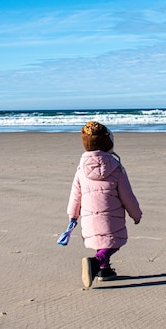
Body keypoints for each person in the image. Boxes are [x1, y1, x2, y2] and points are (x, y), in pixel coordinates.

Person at [67, 121, 142, 287]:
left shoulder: (81, 170)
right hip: (111, 215)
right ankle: (96, 262)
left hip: (89, 216)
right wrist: (136, 214)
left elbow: (75, 194)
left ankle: (104, 270)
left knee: (100, 239)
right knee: (114, 240)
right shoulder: (116, 168)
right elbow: (127, 195)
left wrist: (73, 215)